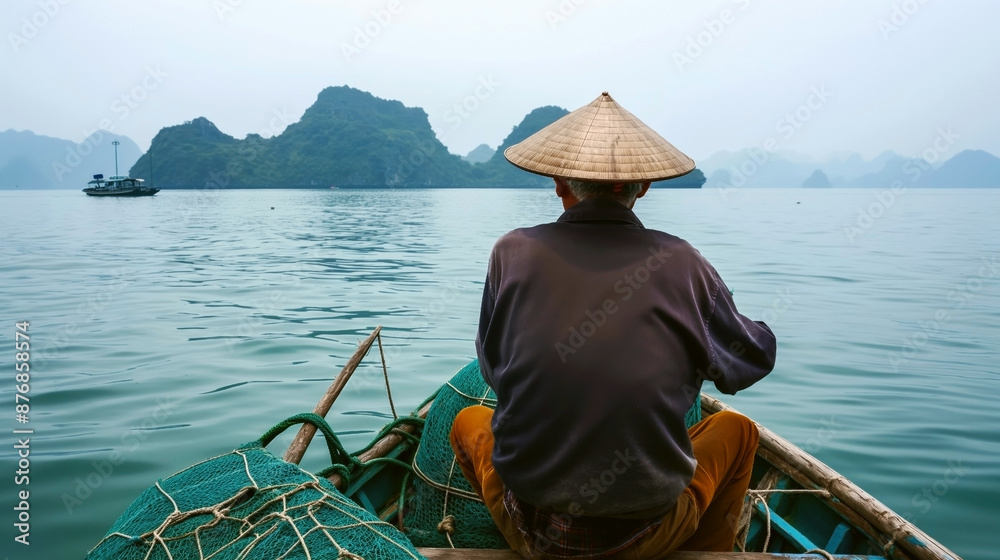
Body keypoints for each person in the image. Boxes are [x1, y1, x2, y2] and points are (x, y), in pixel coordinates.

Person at [449, 92, 777, 559]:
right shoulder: (683, 263)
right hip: (641, 537)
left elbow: (494, 367)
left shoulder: (510, 252)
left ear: (559, 183)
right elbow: (749, 362)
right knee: (739, 432)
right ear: (642, 187)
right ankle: (707, 552)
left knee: (468, 421)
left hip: (534, 533)